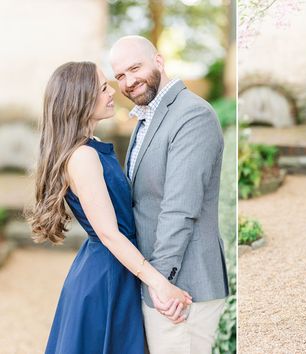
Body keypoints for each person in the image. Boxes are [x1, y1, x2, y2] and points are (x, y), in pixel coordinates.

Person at [28, 61, 191, 353]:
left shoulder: (91, 145)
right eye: (103, 87)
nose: (112, 91)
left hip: (114, 266)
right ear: (81, 100)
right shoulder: (82, 157)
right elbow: (109, 234)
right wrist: (161, 284)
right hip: (107, 275)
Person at [109, 36, 229, 353]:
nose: (129, 81)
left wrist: (160, 284)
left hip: (182, 289)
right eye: (120, 75)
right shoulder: (145, 118)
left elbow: (180, 209)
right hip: (159, 284)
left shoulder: (192, 116)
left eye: (135, 68)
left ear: (159, 61)